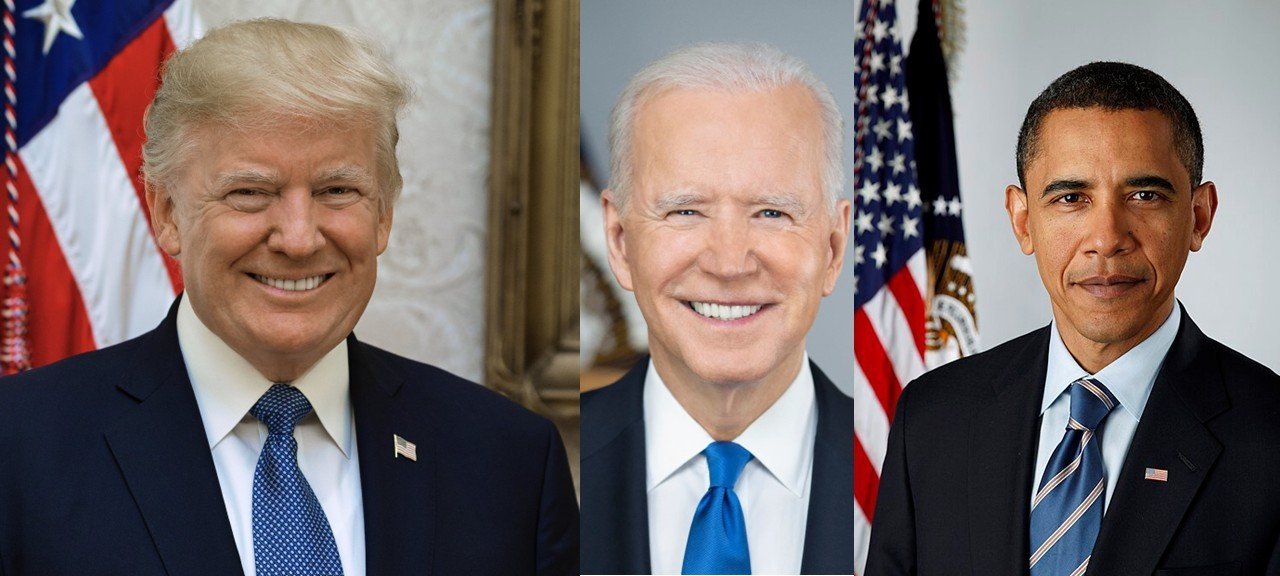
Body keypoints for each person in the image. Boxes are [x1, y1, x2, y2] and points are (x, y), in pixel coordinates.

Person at [0, 19, 578, 576]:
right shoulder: (20, 449)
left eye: (337, 190)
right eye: (251, 192)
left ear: (383, 215)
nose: (299, 239)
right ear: (168, 213)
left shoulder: (509, 459)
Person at [866, 62, 1280, 575]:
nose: (1106, 238)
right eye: (1071, 198)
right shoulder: (932, 419)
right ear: (1023, 221)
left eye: (1144, 196)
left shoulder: (1270, 439)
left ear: (1199, 216)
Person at [581, 42, 855, 575]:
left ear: (832, 247)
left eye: (772, 212)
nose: (729, 264)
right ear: (619, 241)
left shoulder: (907, 471)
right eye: (685, 211)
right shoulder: (541, 467)